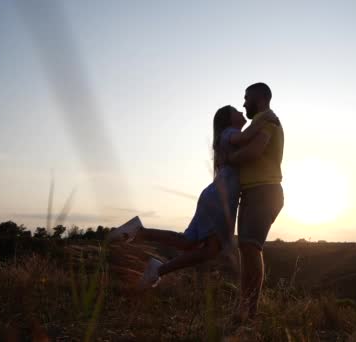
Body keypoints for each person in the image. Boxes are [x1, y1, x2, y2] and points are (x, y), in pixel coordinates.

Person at [109, 105, 277, 288]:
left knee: (189, 243)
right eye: (236, 111)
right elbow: (246, 137)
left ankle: (144, 242)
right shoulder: (229, 134)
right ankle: (155, 264)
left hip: (214, 198)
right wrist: (266, 118)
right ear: (228, 119)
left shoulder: (228, 138)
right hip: (219, 201)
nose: (241, 111)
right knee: (208, 250)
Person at [229, 82, 284, 320]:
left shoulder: (269, 122)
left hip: (264, 191)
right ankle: (245, 308)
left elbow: (254, 151)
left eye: (246, 97)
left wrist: (228, 159)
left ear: (260, 98)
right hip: (254, 192)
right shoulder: (259, 122)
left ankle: (250, 312)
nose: (243, 103)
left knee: (251, 248)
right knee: (247, 249)